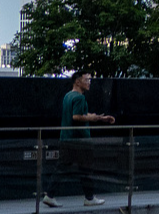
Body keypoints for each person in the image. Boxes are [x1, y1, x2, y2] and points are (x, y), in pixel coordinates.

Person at [42, 72, 114, 207]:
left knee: (61, 168)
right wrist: (92, 118)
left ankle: (49, 195)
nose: (89, 82)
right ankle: (89, 198)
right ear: (77, 82)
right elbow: (77, 117)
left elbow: (78, 114)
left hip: (66, 138)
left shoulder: (68, 96)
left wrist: (98, 118)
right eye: (87, 80)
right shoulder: (80, 98)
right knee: (86, 169)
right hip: (80, 139)